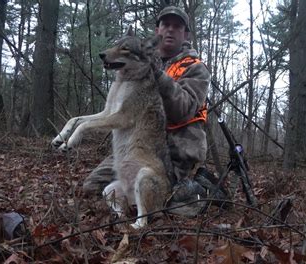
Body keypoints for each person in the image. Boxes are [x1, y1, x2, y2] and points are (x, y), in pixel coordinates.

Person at [83, 6, 211, 198]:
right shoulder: (137, 59)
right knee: (93, 187)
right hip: (138, 144)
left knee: (172, 201)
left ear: (186, 34)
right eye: (165, 24)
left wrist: (158, 75)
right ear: (157, 30)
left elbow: (183, 109)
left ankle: (193, 190)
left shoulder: (196, 68)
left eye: (177, 26)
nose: (170, 29)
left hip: (176, 152)